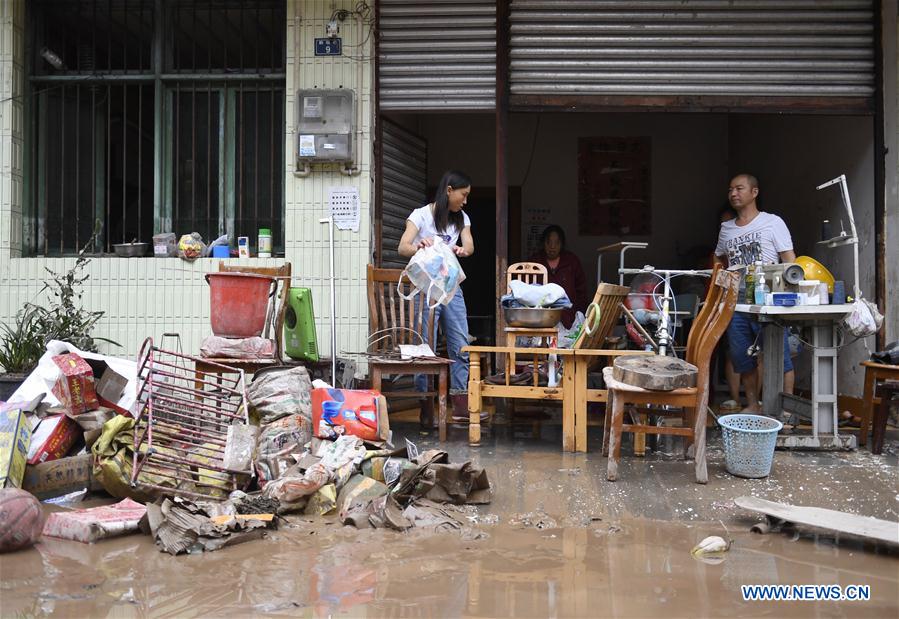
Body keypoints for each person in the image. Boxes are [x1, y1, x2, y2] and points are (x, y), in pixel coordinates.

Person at [398, 170, 480, 423]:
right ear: (449, 191)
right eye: (463, 195)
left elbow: (469, 245)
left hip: (451, 288)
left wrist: (461, 250)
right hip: (426, 289)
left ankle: (460, 406)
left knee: (460, 344)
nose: (464, 201)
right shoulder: (420, 215)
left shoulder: (461, 218)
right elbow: (403, 246)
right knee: (426, 348)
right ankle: (425, 408)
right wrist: (418, 246)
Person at [714, 173, 795, 414]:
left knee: (779, 354)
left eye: (739, 188)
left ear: (754, 192)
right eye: (730, 190)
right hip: (735, 300)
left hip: (767, 298)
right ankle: (753, 404)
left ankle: (787, 407)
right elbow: (718, 256)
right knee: (742, 354)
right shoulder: (726, 229)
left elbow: (789, 260)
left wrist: (789, 296)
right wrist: (720, 279)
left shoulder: (772, 222)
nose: (733, 194)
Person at [529, 225, 588, 329]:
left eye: (556, 243)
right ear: (543, 243)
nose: (552, 246)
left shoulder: (571, 261)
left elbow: (581, 291)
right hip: (540, 317)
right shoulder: (535, 261)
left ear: (562, 244)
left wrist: (579, 313)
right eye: (549, 242)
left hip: (569, 317)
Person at [714, 204, 743, 412]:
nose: (725, 226)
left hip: (751, 294)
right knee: (733, 350)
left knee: (756, 353)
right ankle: (735, 397)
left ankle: (755, 400)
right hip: (726, 299)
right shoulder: (720, 249)